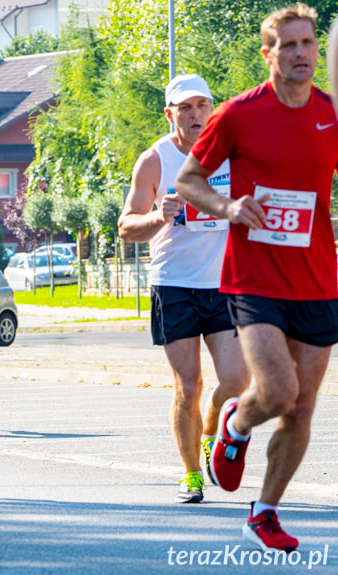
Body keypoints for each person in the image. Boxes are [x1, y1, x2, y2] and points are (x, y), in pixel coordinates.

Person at [176, 3, 338, 552]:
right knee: (278, 391)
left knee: (303, 407)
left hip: (317, 279)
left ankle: (264, 511)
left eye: (308, 43)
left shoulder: (331, 114)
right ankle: (236, 425)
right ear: (268, 55)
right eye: (287, 45)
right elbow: (189, 179)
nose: (300, 53)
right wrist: (227, 207)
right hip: (254, 279)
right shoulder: (239, 114)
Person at [118, 74, 250, 504]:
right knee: (187, 385)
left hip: (224, 283)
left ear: (213, 108)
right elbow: (125, 227)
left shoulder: (231, 153)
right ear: (169, 113)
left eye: (202, 105)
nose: (195, 115)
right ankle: (190, 473)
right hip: (173, 284)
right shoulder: (154, 160)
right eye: (185, 107)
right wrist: (159, 217)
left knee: (236, 380)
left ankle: (210, 434)